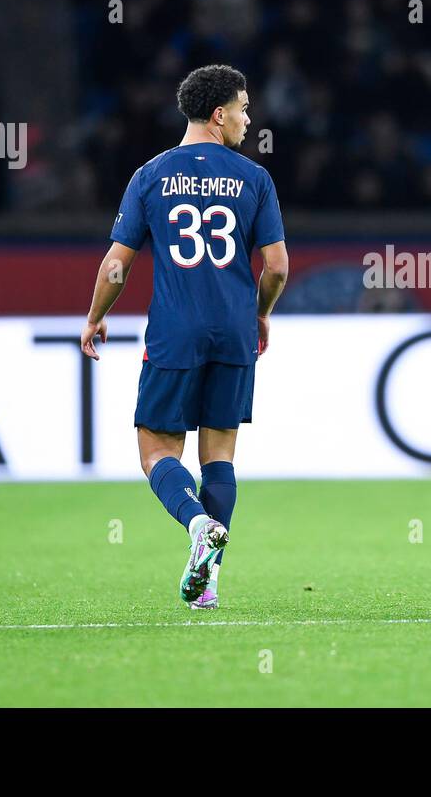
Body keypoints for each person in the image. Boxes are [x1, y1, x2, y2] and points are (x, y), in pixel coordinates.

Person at [79, 64, 289, 609]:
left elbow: (117, 267)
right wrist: (260, 313)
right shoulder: (254, 179)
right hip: (234, 332)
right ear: (219, 115)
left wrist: (95, 315)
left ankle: (197, 525)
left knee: (155, 450)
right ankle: (209, 582)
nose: (248, 119)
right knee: (218, 455)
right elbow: (278, 268)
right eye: (243, 108)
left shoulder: (150, 175)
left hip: (175, 331)